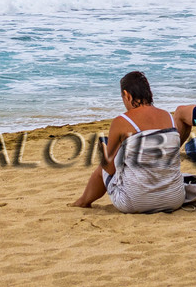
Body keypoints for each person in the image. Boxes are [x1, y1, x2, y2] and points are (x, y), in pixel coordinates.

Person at [71, 71, 187, 213]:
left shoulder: (122, 121)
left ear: (127, 95)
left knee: (102, 168)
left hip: (136, 202)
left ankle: (83, 202)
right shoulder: (168, 116)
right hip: (174, 199)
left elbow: (109, 168)